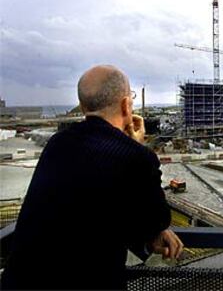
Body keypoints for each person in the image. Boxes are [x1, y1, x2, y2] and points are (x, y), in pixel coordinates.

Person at [1, 65, 184, 290]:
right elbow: (157, 220)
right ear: (126, 105)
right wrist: (137, 147)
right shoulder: (136, 158)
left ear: (84, 106)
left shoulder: (58, 143)